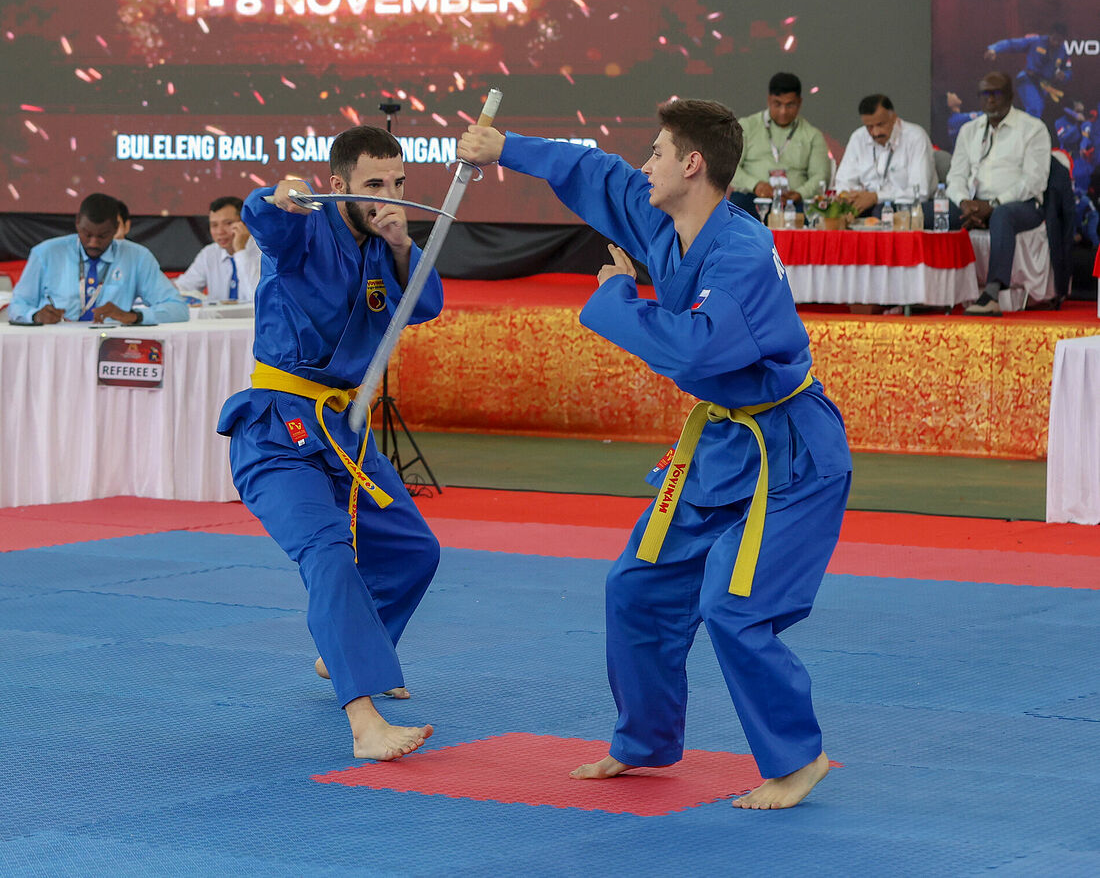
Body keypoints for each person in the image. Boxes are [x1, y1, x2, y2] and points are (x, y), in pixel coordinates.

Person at [458, 99, 852, 810]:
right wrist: (503, 146)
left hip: (790, 454)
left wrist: (616, 296)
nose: (645, 165)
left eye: (658, 153)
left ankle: (799, 759)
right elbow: (594, 172)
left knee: (731, 604)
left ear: (692, 164)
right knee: (637, 586)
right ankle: (644, 740)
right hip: (723, 446)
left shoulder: (739, 254)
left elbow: (693, 349)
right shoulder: (664, 220)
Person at [217, 125, 441, 761]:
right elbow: (264, 217)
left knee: (414, 550)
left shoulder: (385, 246)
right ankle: (364, 722)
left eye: (398, 183)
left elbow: (424, 305)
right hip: (277, 430)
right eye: (374, 185)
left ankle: (342, 652)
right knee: (329, 554)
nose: (389, 197)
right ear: (338, 186)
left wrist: (402, 245)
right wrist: (279, 194)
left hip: (342, 431)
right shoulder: (306, 228)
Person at [931, 71, 1052, 315]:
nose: (990, 99)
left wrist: (994, 204)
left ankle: (992, 295)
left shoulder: (1033, 129)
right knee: (931, 211)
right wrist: (964, 202)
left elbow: (1034, 182)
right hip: (975, 204)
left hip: (1021, 206)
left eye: (996, 93)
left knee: (1002, 216)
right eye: (985, 94)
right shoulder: (969, 130)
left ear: (1010, 96)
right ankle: (929, 292)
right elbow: (956, 176)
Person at [9, 193, 188, 325]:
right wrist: (35, 316)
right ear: (77, 222)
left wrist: (134, 316)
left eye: (103, 236)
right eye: (87, 234)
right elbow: (17, 305)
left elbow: (178, 309)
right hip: (56, 344)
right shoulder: (46, 253)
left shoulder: (137, 257)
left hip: (113, 347)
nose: (93, 242)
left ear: (116, 228)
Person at [727, 72, 831, 218]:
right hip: (752, 197)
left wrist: (800, 193)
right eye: (777, 104)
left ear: (800, 102)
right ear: (769, 100)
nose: (783, 111)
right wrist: (755, 185)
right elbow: (729, 165)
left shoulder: (812, 135)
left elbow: (821, 175)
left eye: (790, 105)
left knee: (812, 213)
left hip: (795, 201)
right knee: (737, 208)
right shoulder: (747, 127)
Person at [835, 94, 937, 217]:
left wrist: (876, 197)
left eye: (880, 124)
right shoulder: (858, 138)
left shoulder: (915, 137)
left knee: (881, 212)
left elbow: (920, 192)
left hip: (906, 205)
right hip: (867, 204)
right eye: (869, 127)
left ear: (893, 118)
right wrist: (849, 196)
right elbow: (843, 181)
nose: (876, 133)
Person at [175, 195, 261, 302]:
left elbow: (257, 297)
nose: (220, 232)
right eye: (214, 225)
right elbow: (183, 287)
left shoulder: (264, 251)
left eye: (228, 223)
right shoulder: (209, 253)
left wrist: (240, 251)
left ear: (245, 223)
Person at [984, 24, 1072, 120]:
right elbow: (1012, 44)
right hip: (1027, 80)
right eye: (1054, 39)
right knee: (1034, 109)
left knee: (1038, 111)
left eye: (1060, 40)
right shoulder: (1036, 41)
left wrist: (1064, 75)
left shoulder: (1063, 51)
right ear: (1050, 35)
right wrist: (994, 49)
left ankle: (1024, 128)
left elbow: (1067, 70)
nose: (1056, 43)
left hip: (1043, 85)